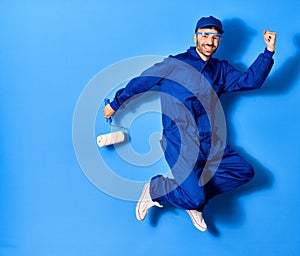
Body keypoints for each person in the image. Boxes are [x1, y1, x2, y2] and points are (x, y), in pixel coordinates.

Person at [103, 16, 276, 232]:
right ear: (195, 37)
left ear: (219, 41)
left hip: (210, 140)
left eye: (215, 37)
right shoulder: (174, 64)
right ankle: (157, 189)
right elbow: (142, 82)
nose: (210, 41)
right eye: (205, 35)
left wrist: (268, 52)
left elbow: (250, 81)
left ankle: (193, 198)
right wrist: (116, 102)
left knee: (243, 171)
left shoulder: (221, 69)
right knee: (195, 198)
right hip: (180, 141)